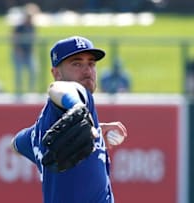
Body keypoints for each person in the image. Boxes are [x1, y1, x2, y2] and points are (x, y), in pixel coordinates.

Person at [11, 36, 128, 203]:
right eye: (77, 64)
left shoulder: (38, 131)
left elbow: (15, 144)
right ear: (56, 73)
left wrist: (97, 128)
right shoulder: (78, 98)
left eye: (91, 63)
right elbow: (59, 88)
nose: (87, 70)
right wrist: (77, 107)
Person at [11, 11, 36, 94]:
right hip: (19, 54)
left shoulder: (32, 27)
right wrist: (18, 50)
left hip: (29, 53)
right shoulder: (19, 27)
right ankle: (19, 91)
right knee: (19, 72)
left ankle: (31, 90)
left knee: (33, 70)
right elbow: (14, 39)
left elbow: (33, 39)